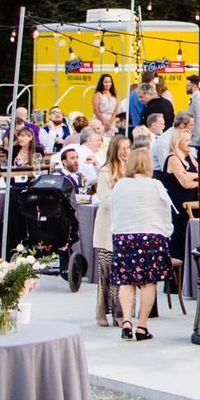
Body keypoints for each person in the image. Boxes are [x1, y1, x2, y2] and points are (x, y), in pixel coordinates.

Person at [108, 148, 174, 340]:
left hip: (124, 234)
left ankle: (127, 321)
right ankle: (142, 325)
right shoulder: (155, 185)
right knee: (148, 282)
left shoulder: (120, 185)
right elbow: (165, 211)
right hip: (151, 234)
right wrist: (166, 231)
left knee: (126, 280)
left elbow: (113, 209)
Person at [91, 134, 132, 326]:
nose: (126, 152)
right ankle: (101, 309)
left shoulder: (131, 171)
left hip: (126, 225)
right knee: (106, 271)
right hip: (108, 226)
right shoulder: (106, 171)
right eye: (122, 148)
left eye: (128, 148)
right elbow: (105, 198)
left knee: (122, 272)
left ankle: (120, 311)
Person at [159, 114, 200, 262]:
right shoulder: (173, 159)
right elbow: (185, 182)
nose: (190, 144)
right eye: (187, 141)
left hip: (192, 202)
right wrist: (196, 177)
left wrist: (194, 177)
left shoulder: (191, 158)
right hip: (178, 205)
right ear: (178, 142)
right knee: (178, 241)